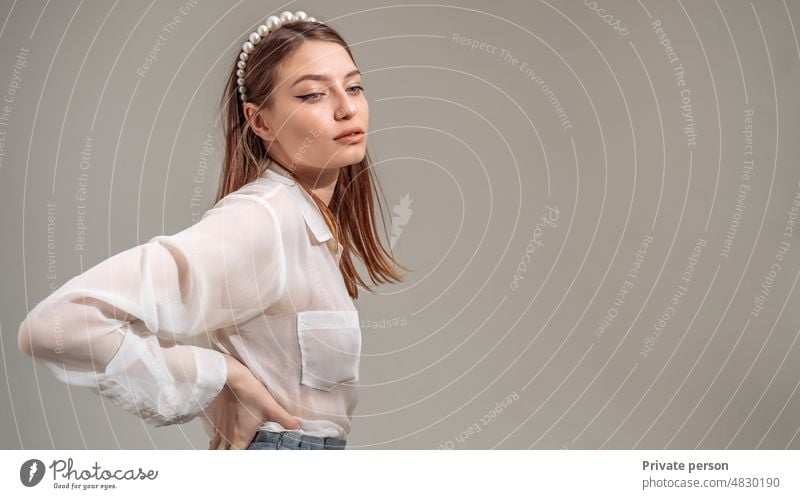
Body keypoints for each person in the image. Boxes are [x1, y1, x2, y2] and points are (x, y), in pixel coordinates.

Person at [17, 11, 408, 450]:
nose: (346, 108)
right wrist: (224, 376)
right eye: (314, 94)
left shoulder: (304, 223)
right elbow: (56, 324)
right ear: (260, 122)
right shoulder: (262, 220)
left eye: (354, 86)